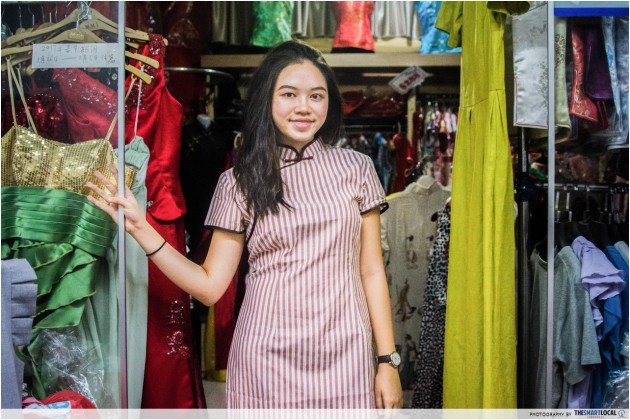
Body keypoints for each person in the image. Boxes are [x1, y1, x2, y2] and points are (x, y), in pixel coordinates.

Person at [86, 39, 403, 410]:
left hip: (346, 355)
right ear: (267, 100)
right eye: (289, 94)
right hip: (266, 360)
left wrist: (387, 360)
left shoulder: (357, 169)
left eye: (316, 96)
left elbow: (371, 271)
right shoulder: (237, 181)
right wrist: (141, 228)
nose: (304, 107)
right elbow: (209, 287)